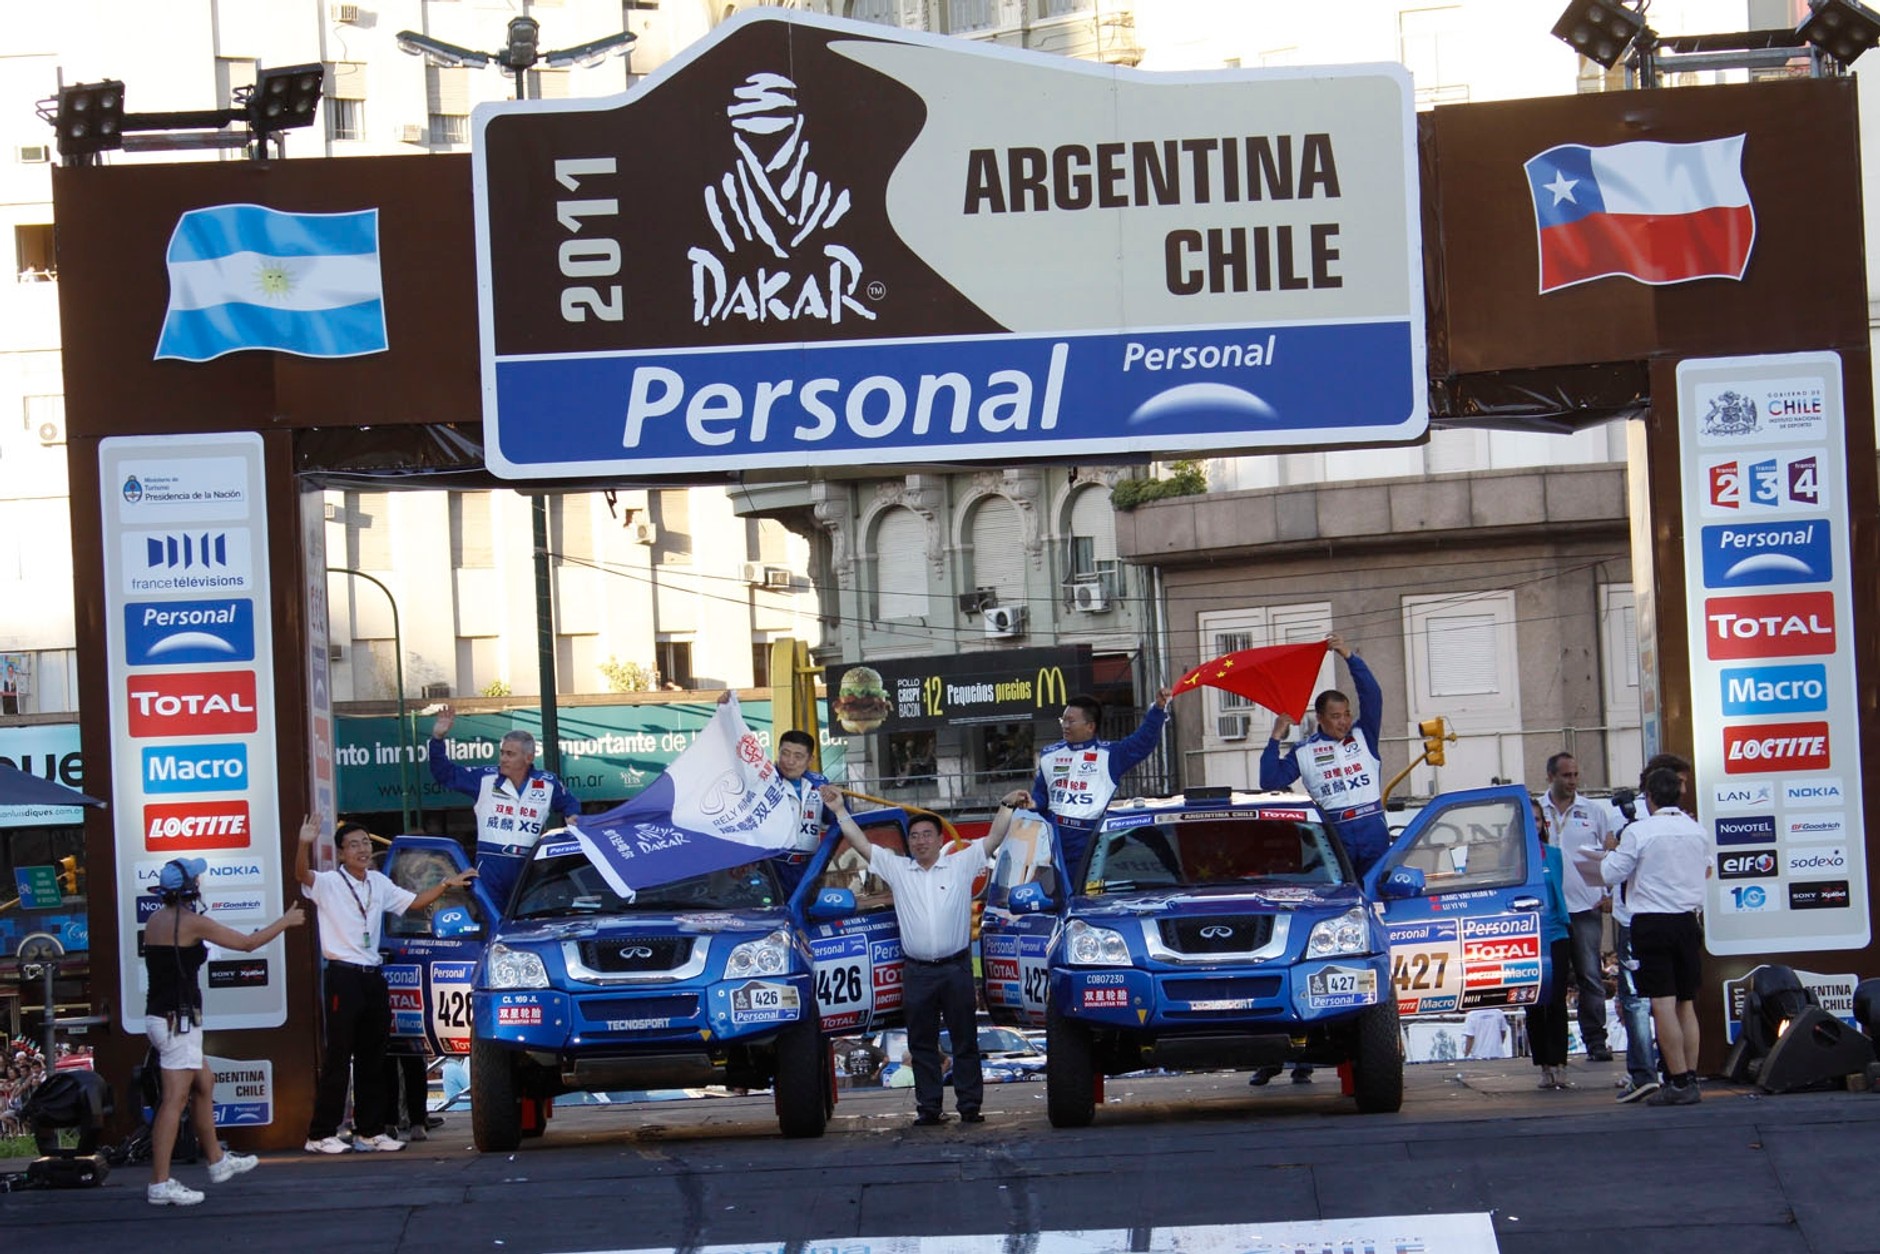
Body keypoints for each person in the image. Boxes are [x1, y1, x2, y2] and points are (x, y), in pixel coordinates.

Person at [823, 784, 1029, 1126]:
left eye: (926, 835)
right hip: (917, 972)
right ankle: (929, 1109)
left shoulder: (961, 864)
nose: (920, 841)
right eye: (914, 836)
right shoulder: (898, 869)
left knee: (965, 1042)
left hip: (956, 969)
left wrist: (1006, 804)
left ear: (938, 839)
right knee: (922, 1045)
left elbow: (993, 839)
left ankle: (969, 1107)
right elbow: (862, 845)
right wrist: (840, 810)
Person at [297, 817, 478, 1153]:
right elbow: (301, 876)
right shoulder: (329, 882)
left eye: (366, 842)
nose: (363, 849)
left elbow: (414, 903)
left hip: (372, 975)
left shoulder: (378, 882)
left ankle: (371, 1130)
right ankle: (320, 1134)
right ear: (340, 853)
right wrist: (303, 843)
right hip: (343, 975)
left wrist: (448, 884)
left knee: (374, 1057)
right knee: (339, 1056)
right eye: (354, 844)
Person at [142, 857, 305, 1205]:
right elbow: (248, 943)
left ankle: (216, 1160)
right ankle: (160, 1183)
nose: (202, 881)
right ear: (190, 888)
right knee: (174, 1101)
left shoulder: (158, 919)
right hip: (177, 1022)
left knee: (205, 1082)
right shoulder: (190, 922)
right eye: (198, 877)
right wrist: (286, 921)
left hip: (166, 1018)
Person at [1598, 766, 1709, 1106]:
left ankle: (1676, 1081)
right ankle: (1690, 1075)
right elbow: (1707, 869)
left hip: (1652, 921)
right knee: (1686, 1003)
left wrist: (1612, 849)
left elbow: (1610, 872)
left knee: (1661, 1002)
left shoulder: (1640, 832)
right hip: (1689, 921)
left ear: (1649, 797)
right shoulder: (1697, 830)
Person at [1259, 634, 1389, 876]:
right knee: (1344, 896)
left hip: (1372, 827)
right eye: (1336, 716)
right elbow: (1269, 781)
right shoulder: (1304, 751)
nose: (1344, 722)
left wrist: (1349, 657)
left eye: (1347, 714)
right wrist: (1275, 737)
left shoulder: (1363, 735)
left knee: (1379, 890)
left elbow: (1373, 696)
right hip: (1337, 833)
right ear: (1320, 718)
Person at [427, 705, 580, 909]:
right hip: (491, 866)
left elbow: (569, 802)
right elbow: (445, 774)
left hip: (529, 866)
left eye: (510, 754)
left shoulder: (547, 782)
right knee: (494, 923)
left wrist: (572, 815)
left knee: (528, 924)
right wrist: (437, 739)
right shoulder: (485, 778)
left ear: (528, 757)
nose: (503, 759)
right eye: (502, 753)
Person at [1610, 752, 1689, 1104]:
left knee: (1669, 1002)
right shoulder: (1632, 817)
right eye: (1679, 783)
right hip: (1641, 917)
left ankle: (1680, 1076)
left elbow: (1611, 869)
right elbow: (1613, 868)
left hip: (1659, 917)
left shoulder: (1686, 823)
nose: (1682, 789)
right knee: (1649, 1002)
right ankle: (1654, 1074)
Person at [1031, 688, 1172, 876]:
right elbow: (1041, 795)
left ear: (1090, 726)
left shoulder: (1109, 755)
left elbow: (1143, 742)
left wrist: (1157, 709)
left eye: (1070, 721)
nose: (1065, 725)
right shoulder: (1050, 754)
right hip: (1050, 839)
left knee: (1080, 899)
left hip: (1088, 840)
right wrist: (1032, 803)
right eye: (1063, 720)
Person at [1541, 751, 1616, 1062]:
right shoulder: (1536, 809)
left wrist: (1610, 892)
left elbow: (1612, 852)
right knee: (1552, 979)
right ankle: (1552, 1048)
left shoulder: (1594, 811)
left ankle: (1596, 1041)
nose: (1572, 781)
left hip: (1585, 906)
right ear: (1551, 777)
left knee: (1589, 975)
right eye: (1566, 776)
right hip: (1549, 910)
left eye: (1575, 775)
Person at [1526, 795, 1574, 1089]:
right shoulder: (1512, 858)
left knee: (1556, 1001)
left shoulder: (1553, 854)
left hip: (1556, 933)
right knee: (1533, 1002)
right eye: (1527, 819)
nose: (1533, 824)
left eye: (1536, 819)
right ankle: (1543, 1065)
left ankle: (1560, 1063)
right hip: (1526, 936)